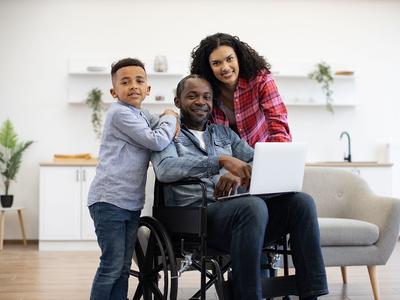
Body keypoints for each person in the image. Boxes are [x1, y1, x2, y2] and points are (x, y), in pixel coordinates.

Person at [151, 74, 329, 300]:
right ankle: (248, 295)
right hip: (194, 217)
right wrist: (220, 161)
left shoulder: (224, 133)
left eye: (206, 97)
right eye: (192, 96)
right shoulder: (166, 132)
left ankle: (310, 291)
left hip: (237, 215)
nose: (200, 102)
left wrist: (239, 174)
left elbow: (257, 160)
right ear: (178, 101)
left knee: (301, 203)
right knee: (252, 206)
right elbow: (165, 169)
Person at [87, 57, 178, 300]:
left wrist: (167, 118)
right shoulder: (119, 114)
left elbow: (158, 125)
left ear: (148, 89)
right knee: (111, 267)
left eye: (139, 81)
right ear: (113, 91)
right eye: (125, 82)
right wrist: (171, 116)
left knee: (124, 268)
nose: (133, 86)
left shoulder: (140, 114)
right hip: (109, 201)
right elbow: (157, 139)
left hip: (129, 203)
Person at [190, 32, 291, 147]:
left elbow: (277, 122)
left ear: (238, 58)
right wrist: (171, 115)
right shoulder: (205, 90)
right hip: (226, 158)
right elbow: (191, 122)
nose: (225, 68)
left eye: (229, 59)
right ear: (208, 67)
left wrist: (277, 154)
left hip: (261, 153)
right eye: (216, 63)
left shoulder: (260, 79)